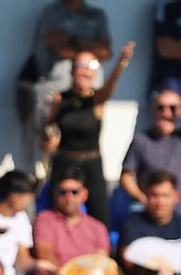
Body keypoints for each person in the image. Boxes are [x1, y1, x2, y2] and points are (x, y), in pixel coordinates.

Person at [43, 42, 134, 225]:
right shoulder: (61, 99)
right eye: (80, 65)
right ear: (72, 71)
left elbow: (111, 85)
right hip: (65, 161)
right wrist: (49, 136)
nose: (85, 71)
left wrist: (121, 62)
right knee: (56, 215)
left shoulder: (97, 99)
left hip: (91, 162)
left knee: (100, 215)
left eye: (91, 66)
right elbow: (48, 125)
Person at [19, 0, 113, 168]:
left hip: (88, 95)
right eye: (78, 64)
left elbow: (105, 51)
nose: (82, 65)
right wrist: (89, 50)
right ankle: (39, 175)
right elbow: (55, 43)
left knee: (84, 137)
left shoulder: (97, 15)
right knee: (47, 139)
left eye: (87, 64)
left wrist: (71, 40)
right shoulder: (52, 12)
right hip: (54, 87)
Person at [30, 171, 111, 275]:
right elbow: (46, 256)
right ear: (55, 194)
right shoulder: (44, 220)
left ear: (84, 194)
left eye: (74, 192)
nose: (69, 197)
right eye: (63, 192)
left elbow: (100, 264)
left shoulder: (98, 227)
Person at [121, 89, 181, 205]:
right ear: (154, 110)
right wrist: (143, 199)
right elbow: (126, 176)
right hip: (148, 212)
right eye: (160, 107)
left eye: (172, 108)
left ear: (180, 111)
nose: (166, 112)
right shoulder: (141, 140)